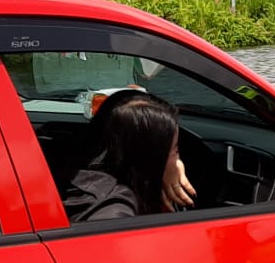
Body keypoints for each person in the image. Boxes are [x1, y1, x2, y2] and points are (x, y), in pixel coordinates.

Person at [64, 90, 194, 222]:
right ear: (150, 156)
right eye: (175, 149)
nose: (178, 160)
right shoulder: (113, 213)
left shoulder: (81, 172)